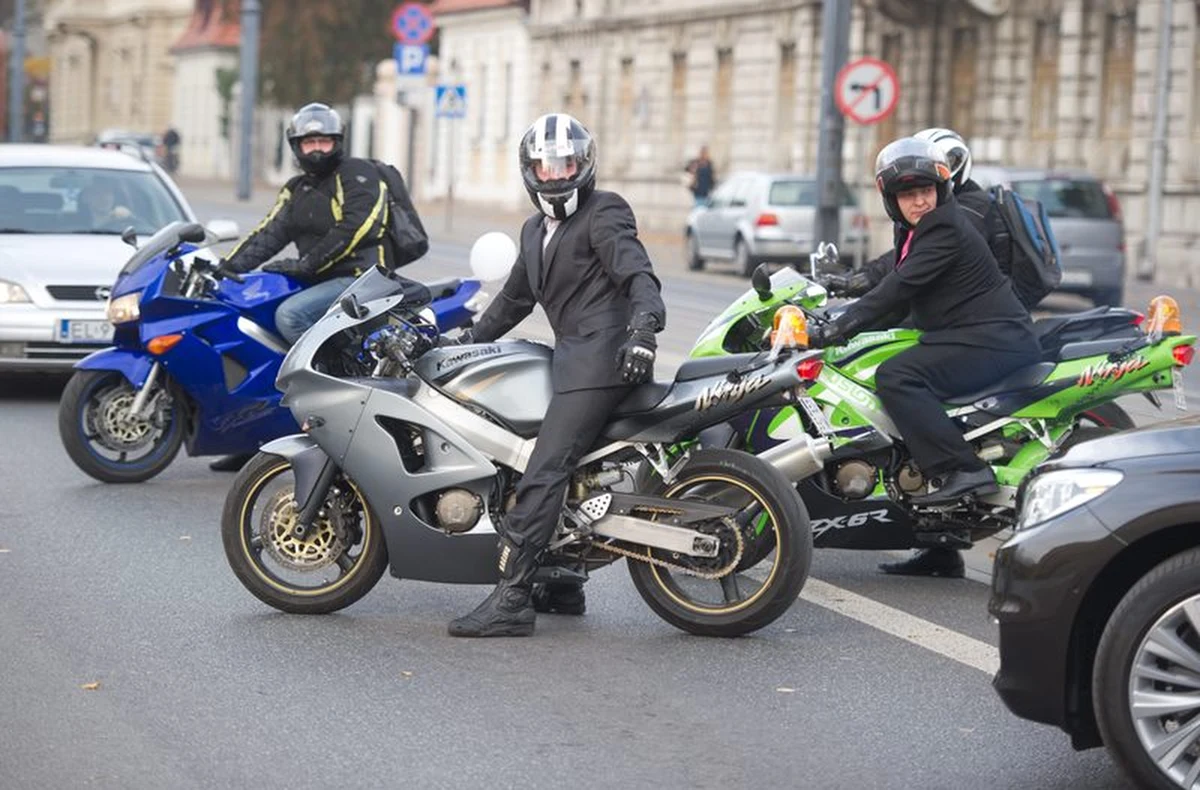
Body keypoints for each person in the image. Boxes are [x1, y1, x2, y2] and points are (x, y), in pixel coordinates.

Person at [446, 112, 665, 638]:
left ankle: (512, 600)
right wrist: (456, 346)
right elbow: (513, 301)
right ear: (530, 172)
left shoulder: (604, 212)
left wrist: (643, 332)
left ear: (584, 165)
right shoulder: (532, 230)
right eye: (545, 167)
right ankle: (562, 579)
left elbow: (638, 274)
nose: (556, 175)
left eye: (565, 164)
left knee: (545, 469)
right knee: (527, 459)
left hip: (605, 359)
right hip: (573, 358)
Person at [817, 128, 1020, 579]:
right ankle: (939, 544)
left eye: (926, 190)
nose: (920, 201)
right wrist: (841, 320)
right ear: (893, 200)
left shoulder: (944, 228)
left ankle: (962, 471)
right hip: (967, 334)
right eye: (908, 194)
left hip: (991, 339)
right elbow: (894, 285)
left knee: (896, 377)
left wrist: (834, 327)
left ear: (941, 189)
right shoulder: (917, 230)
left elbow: (897, 290)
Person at [210, 101, 396, 472]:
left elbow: (356, 228)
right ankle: (258, 433)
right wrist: (225, 267)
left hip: (364, 279)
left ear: (337, 142)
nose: (316, 149)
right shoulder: (297, 188)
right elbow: (269, 231)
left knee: (290, 315)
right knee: (251, 315)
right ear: (296, 145)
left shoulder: (357, 175)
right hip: (321, 281)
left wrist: (306, 264)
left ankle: (338, 396)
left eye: (324, 142)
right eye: (308, 142)